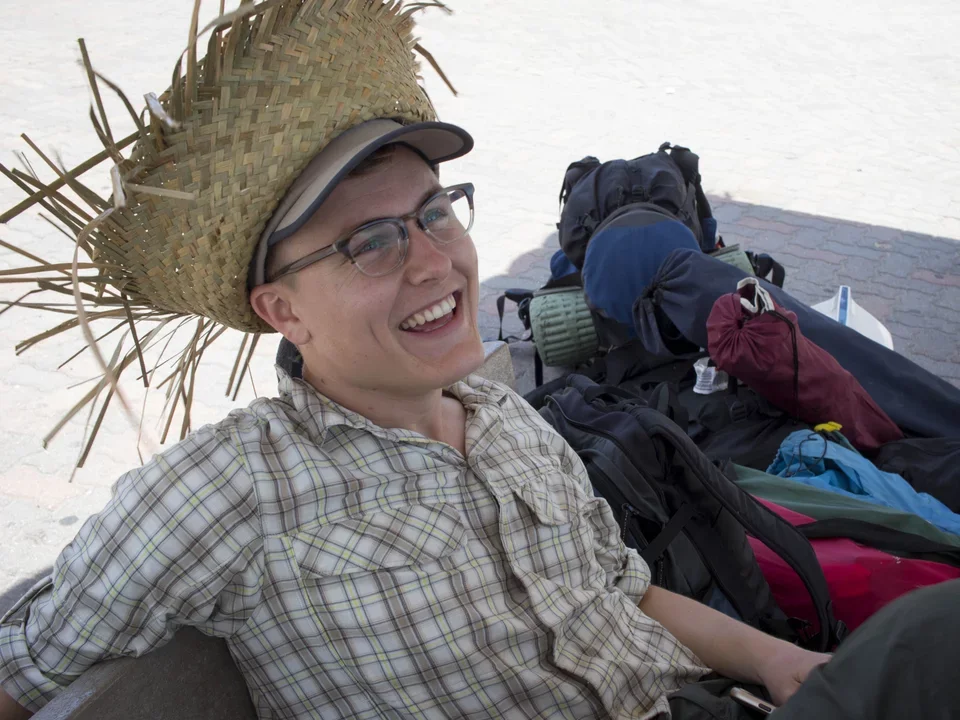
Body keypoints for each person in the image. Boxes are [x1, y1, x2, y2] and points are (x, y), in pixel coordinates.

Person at [2, 3, 959, 720]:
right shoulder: (233, 488)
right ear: (281, 309)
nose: (434, 260)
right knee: (933, 645)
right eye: (368, 243)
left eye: (434, 212)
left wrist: (773, 661)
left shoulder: (506, 421)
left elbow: (622, 590)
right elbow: (27, 669)